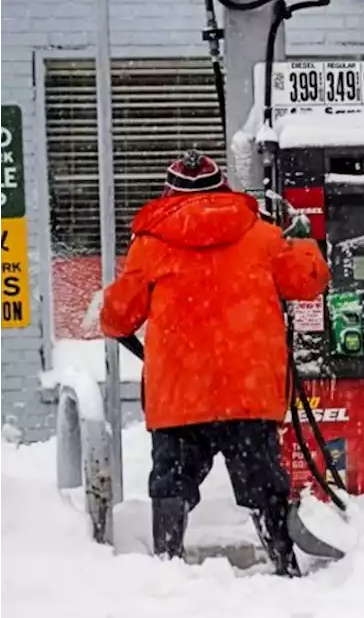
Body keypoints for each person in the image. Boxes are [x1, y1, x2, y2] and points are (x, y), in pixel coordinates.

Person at [99, 149, 330, 576]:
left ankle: (166, 567)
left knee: (171, 482)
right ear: (222, 185)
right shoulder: (261, 235)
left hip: (180, 397)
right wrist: (301, 237)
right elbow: (309, 281)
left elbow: (117, 318)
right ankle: (285, 565)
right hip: (249, 392)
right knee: (264, 483)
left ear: (169, 192)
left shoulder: (151, 246)